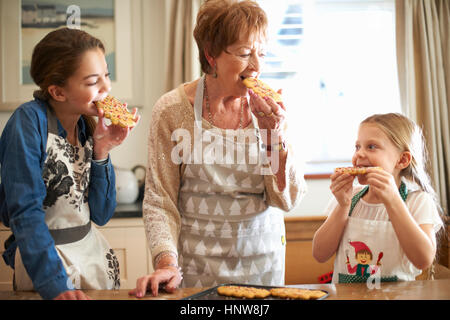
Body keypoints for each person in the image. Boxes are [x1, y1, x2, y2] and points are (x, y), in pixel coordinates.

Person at [129, 0, 306, 297]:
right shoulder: (172, 111)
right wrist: (166, 263)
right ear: (211, 55)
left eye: (261, 53)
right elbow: (160, 200)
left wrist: (274, 138)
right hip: (195, 269)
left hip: (263, 267)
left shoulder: (273, 110)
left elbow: (286, 200)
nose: (257, 66)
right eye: (244, 53)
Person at [0, 28, 139, 299]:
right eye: (92, 81)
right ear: (58, 91)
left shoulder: (87, 126)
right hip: (47, 266)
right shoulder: (27, 123)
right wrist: (56, 285)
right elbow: (25, 213)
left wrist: (102, 151)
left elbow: (101, 214)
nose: (106, 88)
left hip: (94, 259)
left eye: (106, 76)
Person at [312, 113, 444, 283]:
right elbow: (320, 254)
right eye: (357, 146)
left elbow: (423, 259)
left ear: (402, 160)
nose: (359, 154)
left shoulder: (418, 201)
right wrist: (343, 205)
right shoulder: (350, 197)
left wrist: (393, 201)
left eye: (371, 147)